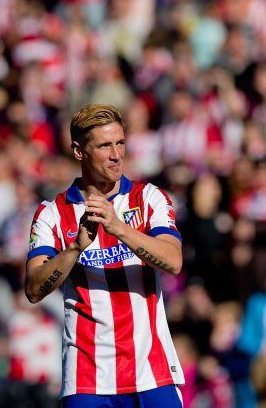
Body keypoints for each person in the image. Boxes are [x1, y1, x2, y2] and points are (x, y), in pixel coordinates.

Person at [25, 104, 185, 407]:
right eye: (104, 146)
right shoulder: (51, 214)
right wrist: (74, 249)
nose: (116, 155)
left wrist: (119, 228)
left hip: (151, 371)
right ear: (78, 151)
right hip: (88, 378)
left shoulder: (149, 198)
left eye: (121, 143)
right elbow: (34, 288)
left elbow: (174, 261)